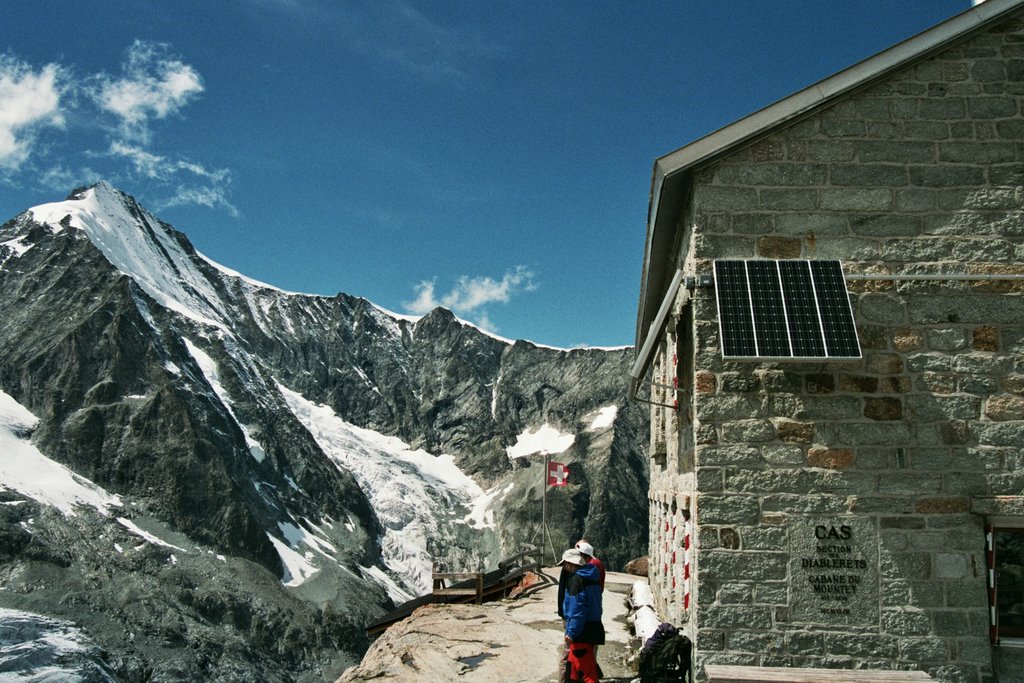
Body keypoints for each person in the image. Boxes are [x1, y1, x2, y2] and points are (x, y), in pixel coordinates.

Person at [560, 547, 604, 682]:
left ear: (571, 564)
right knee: (573, 671)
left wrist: (572, 633)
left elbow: (577, 610)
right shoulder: (592, 576)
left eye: (565, 565)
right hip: (593, 627)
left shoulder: (577, 580)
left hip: (581, 633)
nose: (565, 568)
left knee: (587, 674)